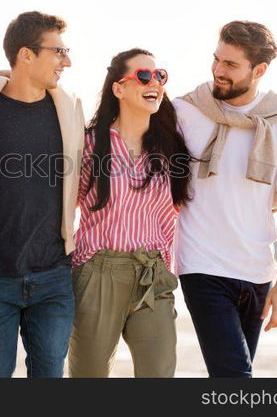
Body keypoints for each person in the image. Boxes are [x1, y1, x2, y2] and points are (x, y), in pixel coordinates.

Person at [173, 21, 277, 378]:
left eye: (231, 65)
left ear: (259, 70)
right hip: (200, 265)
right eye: (217, 60)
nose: (218, 70)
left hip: (256, 272)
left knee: (231, 377)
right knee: (235, 376)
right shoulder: (184, 111)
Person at [0, 11, 84, 378]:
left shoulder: (70, 110)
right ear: (26, 55)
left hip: (53, 275)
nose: (67, 61)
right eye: (58, 51)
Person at [68, 48, 191, 377]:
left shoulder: (170, 148)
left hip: (153, 275)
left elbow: (173, 213)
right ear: (118, 88)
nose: (155, 83)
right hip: (98, 272)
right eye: (144, 76)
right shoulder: (90, 144)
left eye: (159, 75)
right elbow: (64, 210)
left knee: (159, 375)